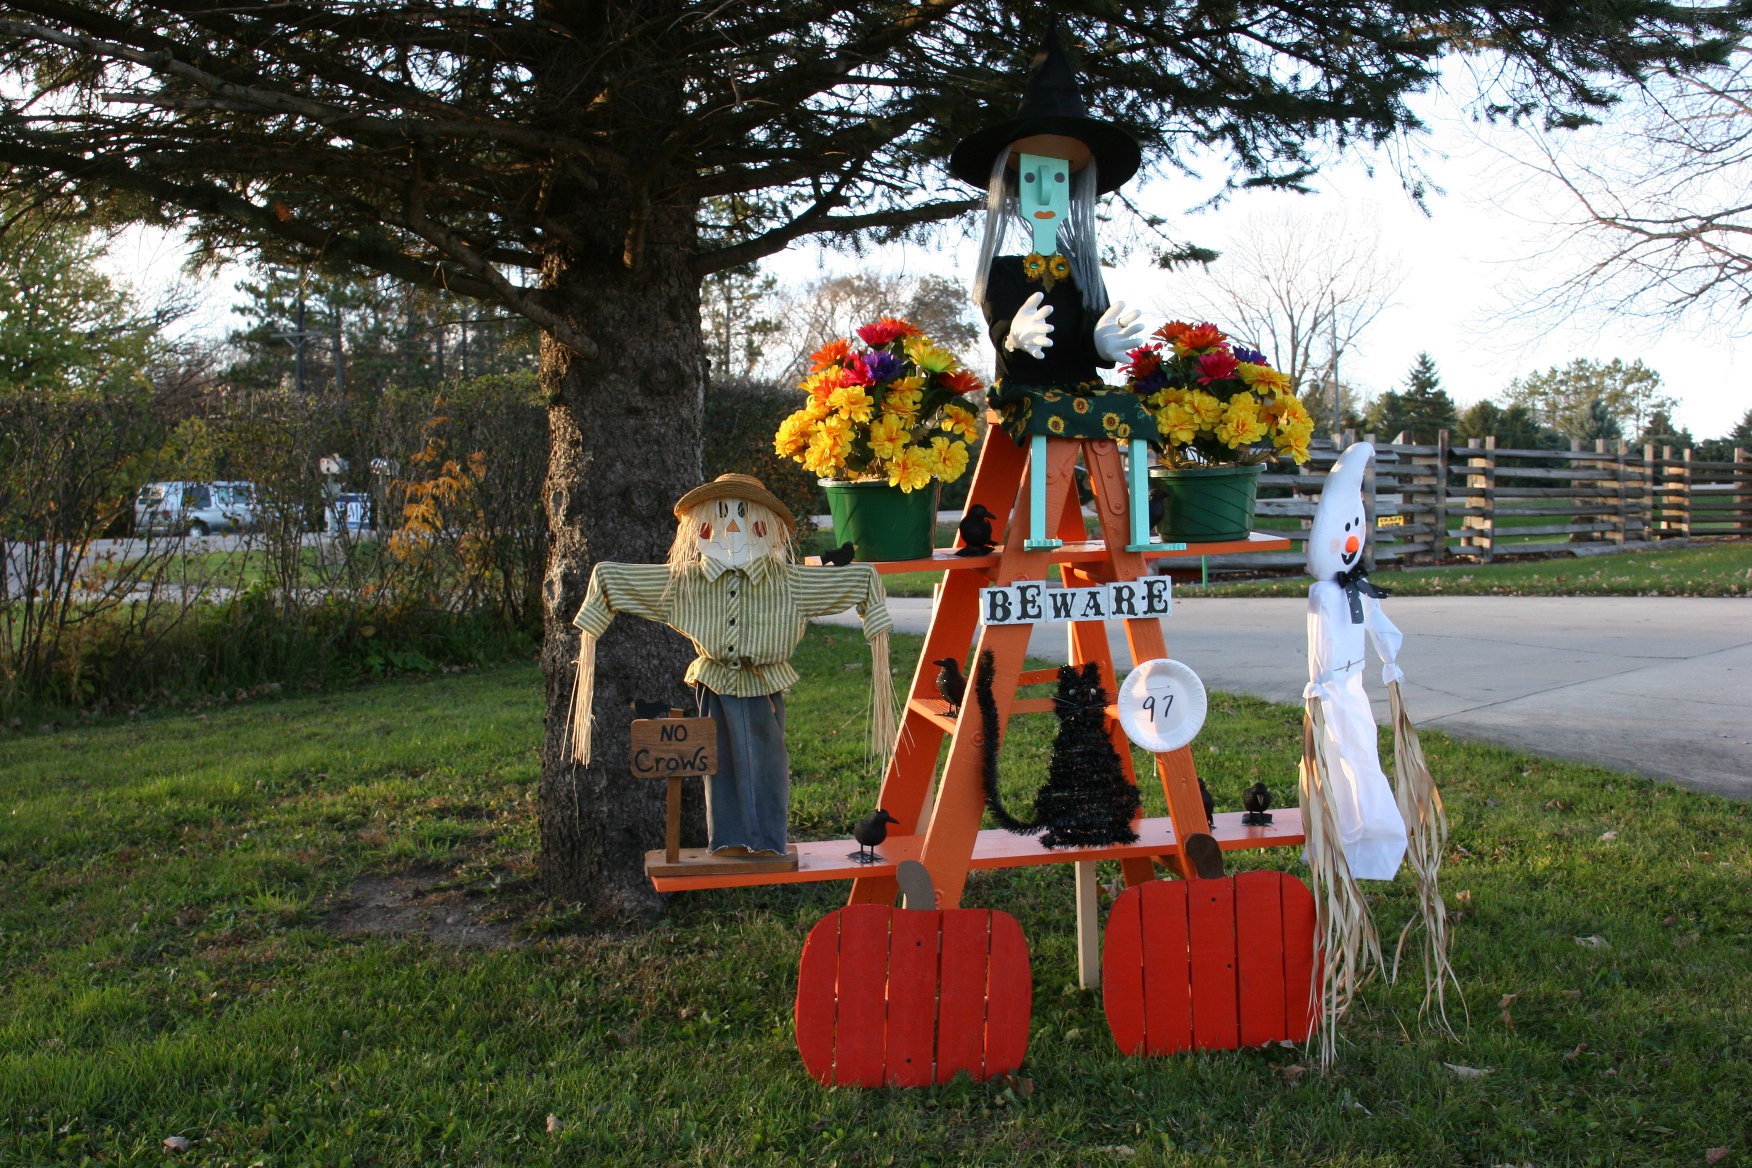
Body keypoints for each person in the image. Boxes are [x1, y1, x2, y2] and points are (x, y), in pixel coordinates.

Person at [568, 474, 896, 859]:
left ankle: (765, 841)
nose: (734, 528)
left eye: (745, 516)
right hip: (715, 684)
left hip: (763, 685)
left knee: (767, 762)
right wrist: (592, 622)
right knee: (718, 763)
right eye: (721, 516)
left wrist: (876, 625)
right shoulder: (683, 582)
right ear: (700, 528)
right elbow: (614, 578)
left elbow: (860, 580)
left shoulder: (790, 582)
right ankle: (729, 838)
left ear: (768, 529)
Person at [947, 24, 1155, 547]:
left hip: (1079, 385)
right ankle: (1037, 531)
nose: (1045, 190)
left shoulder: (1084, 272)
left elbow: (1090, 332)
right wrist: (1014, 338)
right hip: (1023, 389)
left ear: (1073, 186)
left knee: (1132, 410)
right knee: (1045, 416)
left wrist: (1099, 344)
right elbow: (998, 324)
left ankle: (1137, 529)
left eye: (1058, 177)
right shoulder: (1002, 270)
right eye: (1034, 176)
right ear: (1015, 183)